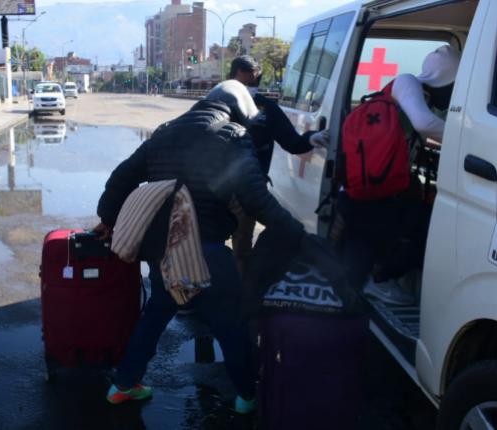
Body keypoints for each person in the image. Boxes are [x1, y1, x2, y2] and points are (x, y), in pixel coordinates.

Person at [95, 79, 343, 414]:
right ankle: (246, 396)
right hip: (206, 252)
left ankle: (123, 386)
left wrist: (109, 219)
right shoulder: (232, 136)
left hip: (163, 252)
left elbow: (121, 178)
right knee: (230, 325)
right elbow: (257, 200)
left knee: (154, 316)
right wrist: (298, 235)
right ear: (240, 112)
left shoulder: (165, 133)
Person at [340, 45, 461, 305]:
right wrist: (473, 137)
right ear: (446, 80)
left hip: (380, 185)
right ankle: (379, 281)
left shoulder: (417, 95)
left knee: (410, 228)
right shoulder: (408, 83)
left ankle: (377, 279)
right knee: (427, 228)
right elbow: (424, 124)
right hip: (377, 189)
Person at [227, 55, 330, 272]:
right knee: (207, 244)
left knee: (242, 247)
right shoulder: (215, 104)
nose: (249, 88)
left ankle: (240, 294)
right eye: (244, 83)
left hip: (248, 190)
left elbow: (292, 142)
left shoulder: (268, 110)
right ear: (231, 80)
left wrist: (312, 138)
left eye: (254, 83)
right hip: (212, 189)